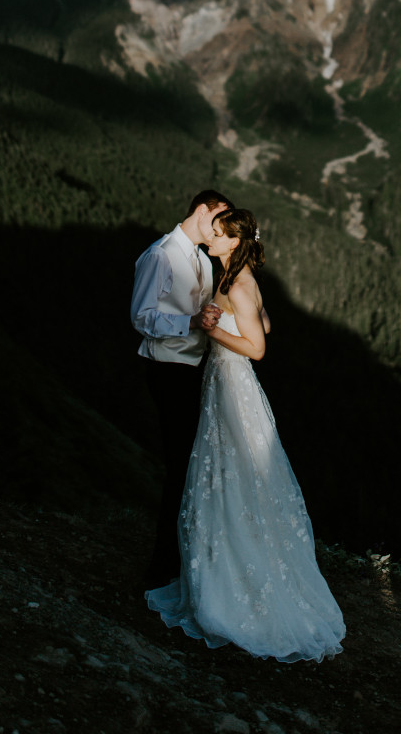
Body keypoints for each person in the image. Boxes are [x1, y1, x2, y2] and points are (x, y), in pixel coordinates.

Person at [146, 208, 345, 663]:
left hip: (234, 389)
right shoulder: (236, 276)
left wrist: (216, 330)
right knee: (229, 477)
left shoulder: (236, 282)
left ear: (233, 243)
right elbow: (265, 321)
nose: (210, 239)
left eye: (217, 236)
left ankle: (237, 585)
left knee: (233, 477)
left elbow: (258, 347)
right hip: (223, 386)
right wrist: (233, 322)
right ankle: (228, 572)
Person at [131, 189, 232, 590]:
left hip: (195, 368)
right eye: (218, 218)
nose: (220, 228)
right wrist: (191, 322)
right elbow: (142, 317)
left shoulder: (204, 261)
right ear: (202, 210)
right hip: (166, 368)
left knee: (190, 465)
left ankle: (177, 559)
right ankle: (161, 569)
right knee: (181, 467)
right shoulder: (160, 255)